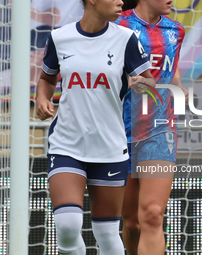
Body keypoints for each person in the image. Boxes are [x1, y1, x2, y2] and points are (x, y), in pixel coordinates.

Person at [36, 0, 153, 254]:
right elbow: (47, 78)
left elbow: (149, 83)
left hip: (109, 148)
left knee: (108, 235)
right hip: (67, 145)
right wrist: (42, 98)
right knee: (67, 226)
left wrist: (140, 85)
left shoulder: (127, 39)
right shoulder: (59, 37)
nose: (121, 1)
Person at [115, 1, 188, 254]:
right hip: (119, 130)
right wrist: (127, 80)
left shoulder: (176, 30)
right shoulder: (118, 24)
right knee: (132, 223)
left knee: (153, 215)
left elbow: (172, 65)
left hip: (159, 128)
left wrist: (178, 86)